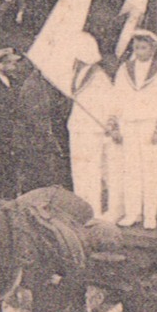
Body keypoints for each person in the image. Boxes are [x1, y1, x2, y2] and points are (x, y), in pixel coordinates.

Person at [110, 31, 157, 230]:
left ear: (153, 49)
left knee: (150, 171)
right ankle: (132, 213)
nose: (139, 52)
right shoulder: (124, 69)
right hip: (129, 124)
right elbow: (116, 99)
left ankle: (150, 215)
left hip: (149, 125)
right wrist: (115, 125)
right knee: (131, 171)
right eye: (136, 47)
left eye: (143, 48)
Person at [64, 34, 117, 221]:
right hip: (77, 127)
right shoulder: (76, 73)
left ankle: (94, 211)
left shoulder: (99, 77)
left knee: (92, 170)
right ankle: (82, 209)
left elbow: (110, 105)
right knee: (79, 170)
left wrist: (107, 127)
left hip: (92, 129)